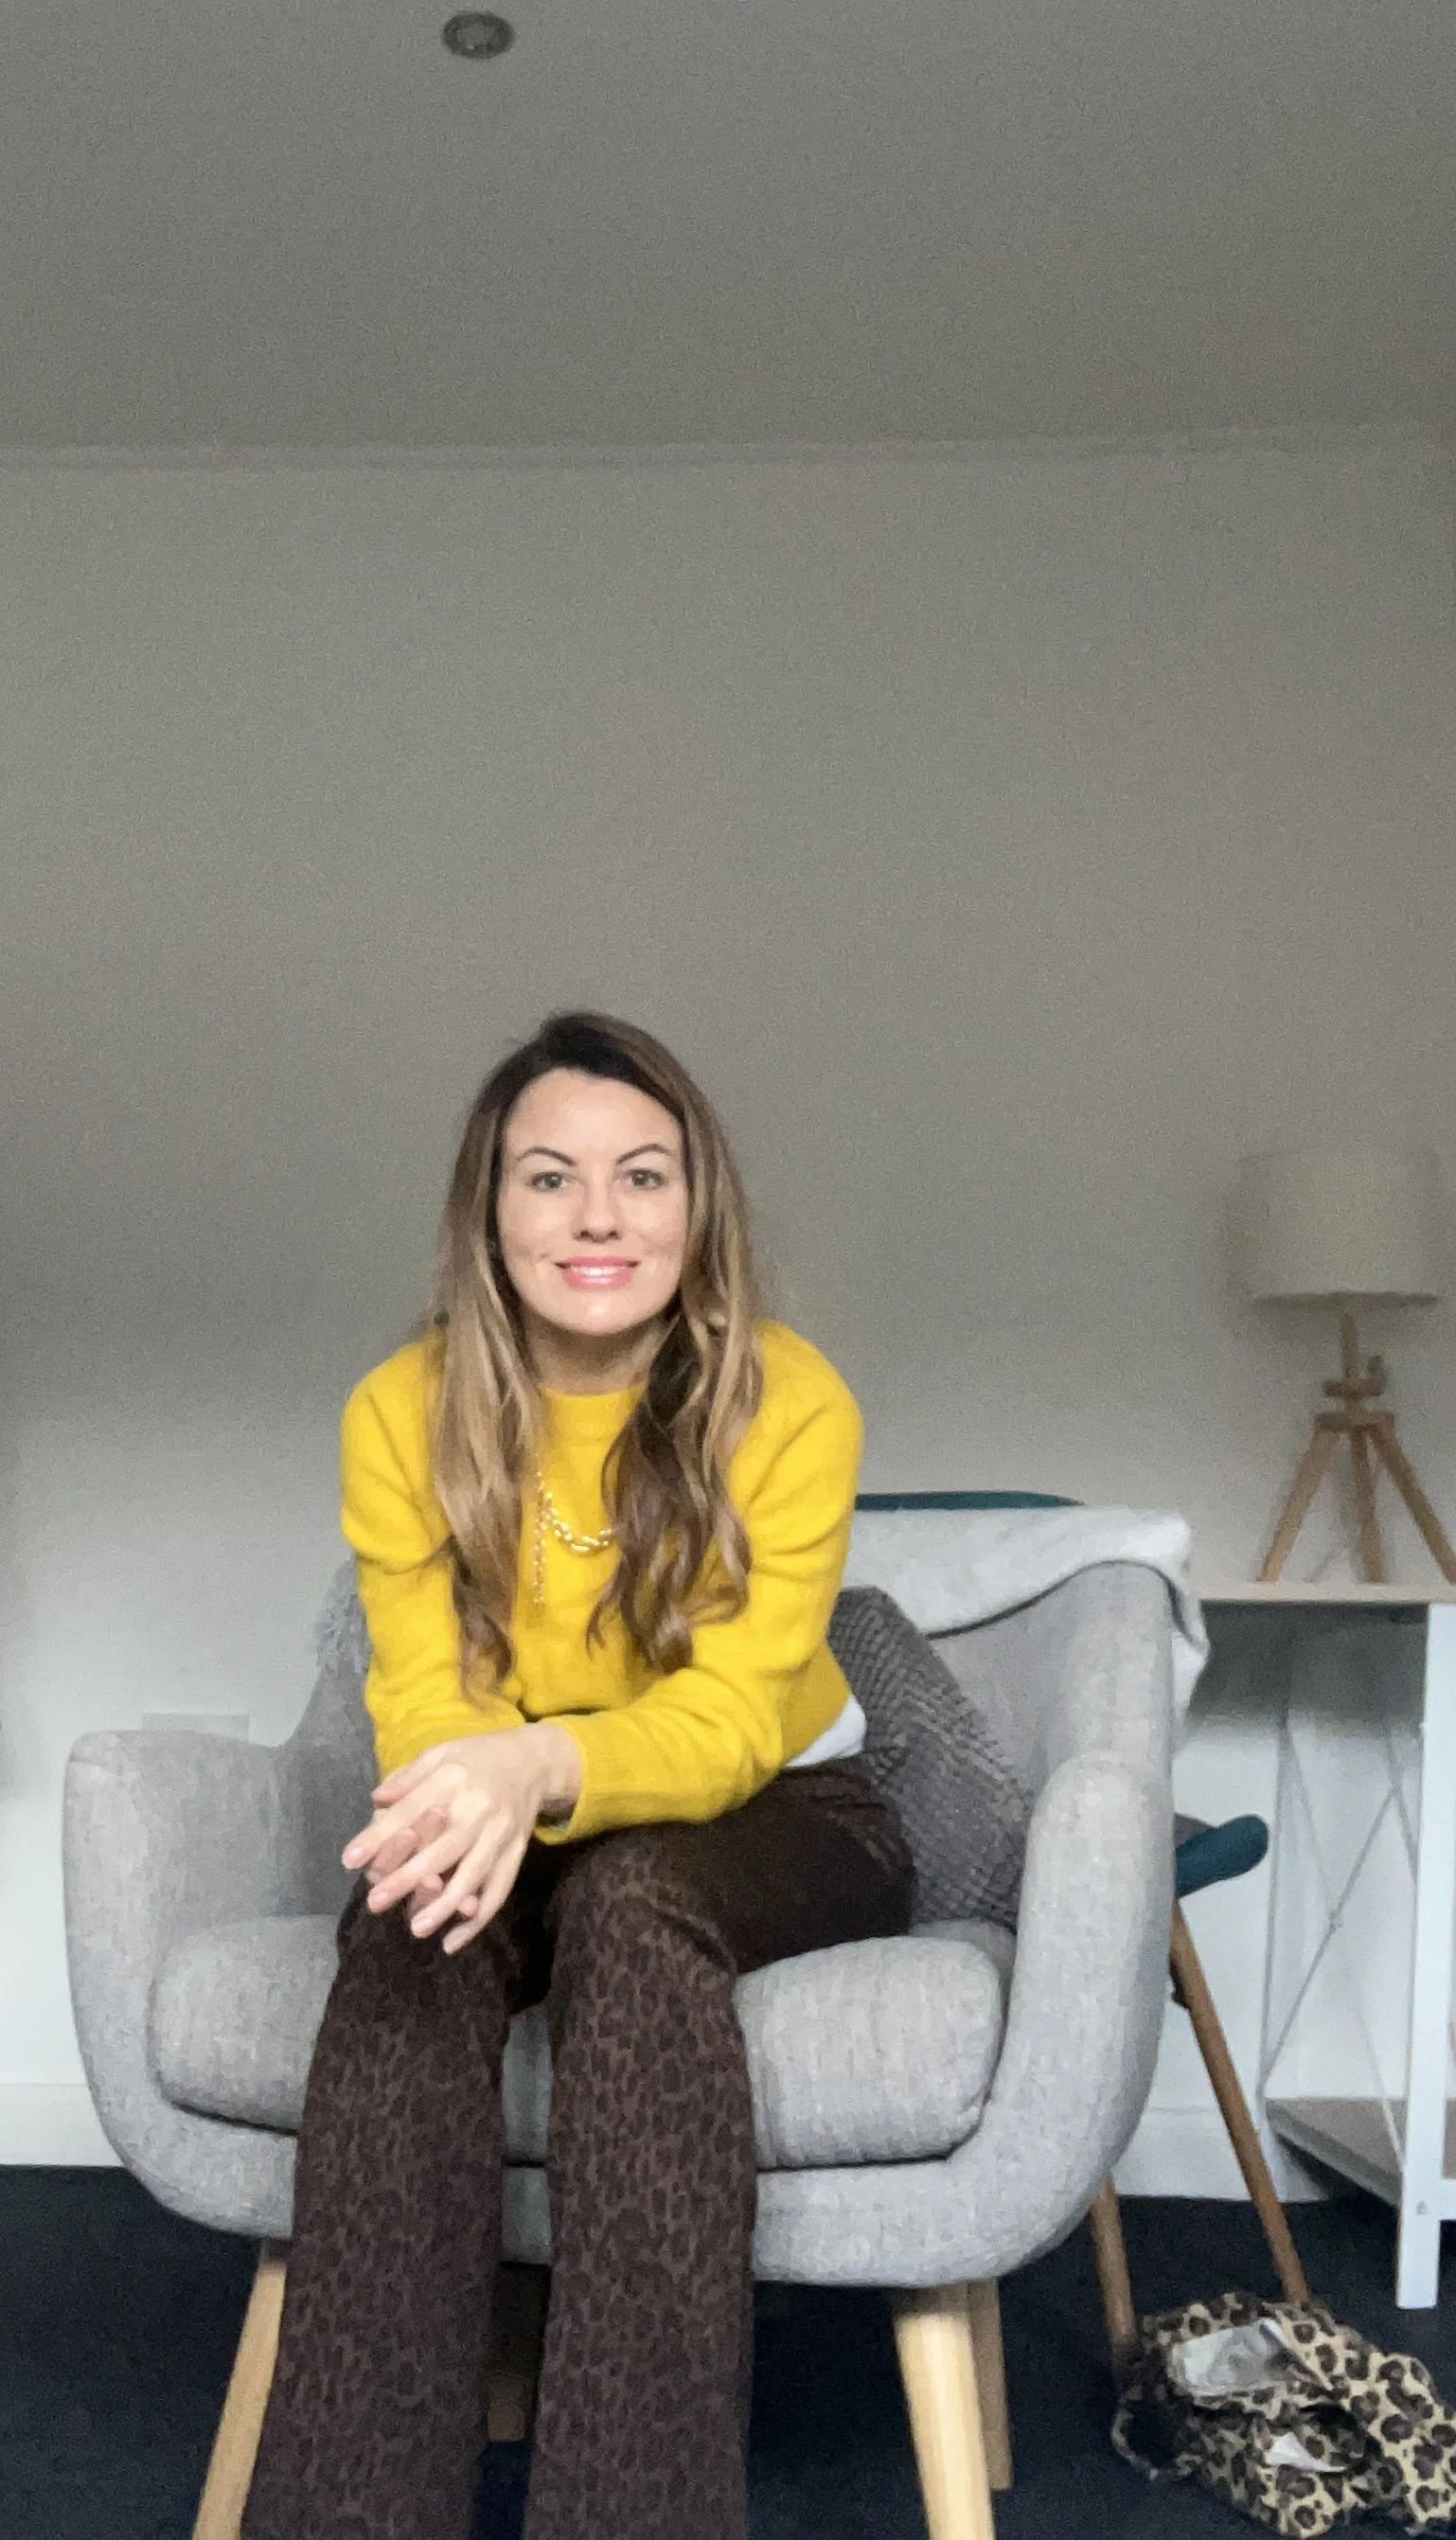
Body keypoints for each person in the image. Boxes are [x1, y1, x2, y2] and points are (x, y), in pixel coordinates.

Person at [243, 1009, 914, 2540]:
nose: (599, 1217)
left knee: (635, 1903)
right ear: (490, 1212)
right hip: (516, 1797)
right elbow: (423, 1696)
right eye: (549, 1178)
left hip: (787, 1809)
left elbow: (739, 1716)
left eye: (642, 1175)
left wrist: (535, 1758)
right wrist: (467, 1800)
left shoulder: (789, 1401)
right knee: (413, 1922)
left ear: (698, 1205)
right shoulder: (396, 1412)